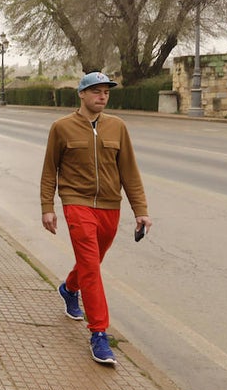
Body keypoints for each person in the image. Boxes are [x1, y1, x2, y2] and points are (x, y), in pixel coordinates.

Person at [39, 71, 152, 366]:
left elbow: (129, 171)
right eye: (96, 91)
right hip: (76, 203)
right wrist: (47, 207)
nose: (102, 97)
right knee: (91, 265)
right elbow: (50, 170)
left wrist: (140, 210)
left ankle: (69, 288)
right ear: (82, 94)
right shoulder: (61, 127)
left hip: (109, 206)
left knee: (93, 262)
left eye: (106, 92)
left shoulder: (118, 127)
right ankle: (99, 332)